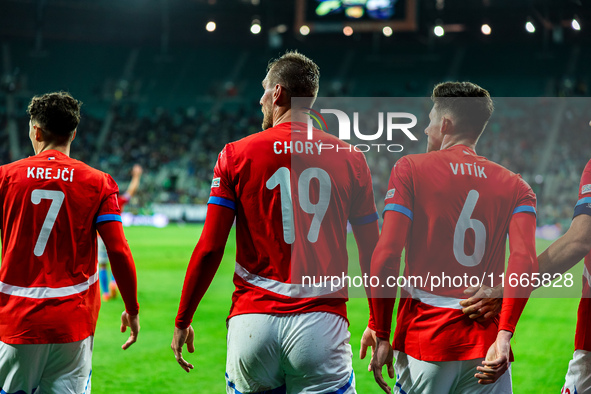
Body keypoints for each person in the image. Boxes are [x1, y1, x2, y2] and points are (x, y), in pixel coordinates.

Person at [170, 51, 379, 393]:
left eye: (264, 89)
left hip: (253, 322)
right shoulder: (351, 158)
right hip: (321, 323)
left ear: (278, 93)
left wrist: (183, 319)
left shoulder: (235, 154)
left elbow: (210, 248)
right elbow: (373, 251)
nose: (260, 98)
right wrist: (379, 324)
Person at [364, 82, 538, 393]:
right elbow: (524, 261)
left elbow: (387, 254)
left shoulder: (410, 168)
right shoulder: (517, 186)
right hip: (486, 346)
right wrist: (505, 334)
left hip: (426, 340)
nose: (426, 129)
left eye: (430, 120)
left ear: (445, 124)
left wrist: (380, 330)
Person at [0, 92, 140, 393]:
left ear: (35, 131)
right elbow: (118, 249)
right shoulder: (98, 182)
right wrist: (131, 308)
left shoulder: (5, 177)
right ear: (73, 133)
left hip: (16, 322)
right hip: (72, 324)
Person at [99, 163, 143, 301]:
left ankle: (105, 293)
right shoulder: (118, 200)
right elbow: (132, 191)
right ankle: (114, 282)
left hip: (100, 237)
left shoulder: (98, 200)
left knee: (103, 265)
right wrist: (136, 176)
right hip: (115, 235)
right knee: (115, 261)